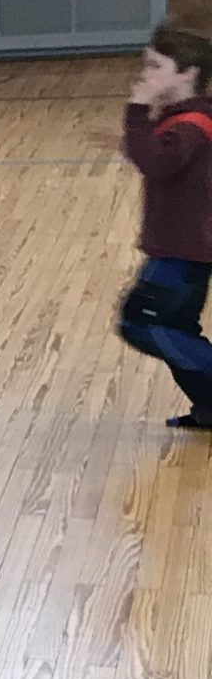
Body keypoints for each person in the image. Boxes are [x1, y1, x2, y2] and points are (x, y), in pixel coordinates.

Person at [117, 22, 212, 431]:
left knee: (141, 323)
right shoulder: (189, 120)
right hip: (186, 246)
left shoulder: (191, 123)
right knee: (177, 329)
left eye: (156, 66)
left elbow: (158, 162)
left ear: (188, 73)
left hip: (183, 250)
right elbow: (165, 157)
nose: (145, 75)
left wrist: (136, 111)